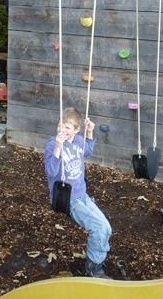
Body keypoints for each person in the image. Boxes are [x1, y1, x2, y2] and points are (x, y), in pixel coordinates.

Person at [44, 107, 112, 278]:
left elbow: (87, 150)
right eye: (60, 126)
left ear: (76, 129)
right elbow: (51, 172)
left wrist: (89, 132)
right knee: (98, 228)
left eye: (67, 127)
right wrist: (58, 147)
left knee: (106, 227)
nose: (62, 130)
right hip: (66, 198)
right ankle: (93, 270)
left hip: (82, 195)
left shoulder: (79, 141)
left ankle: (96, 260)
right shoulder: (53, 144)